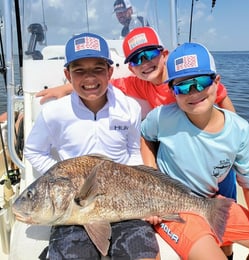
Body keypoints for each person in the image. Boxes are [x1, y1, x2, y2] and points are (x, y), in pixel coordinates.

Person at [35, 27, 236, 258]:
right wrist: (64, 89)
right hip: (173, 164)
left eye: (149, 55)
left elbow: (232, 121)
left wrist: (235, 145)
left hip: (216, 159)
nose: (144, 63)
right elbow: (96, 82)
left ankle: (226, 249)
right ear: (130, 67)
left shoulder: (192, 80)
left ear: (164, 53)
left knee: (225, 228)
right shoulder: (137, 84)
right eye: (136, 60)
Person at [23, 32, 159, 260]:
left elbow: (134, 152)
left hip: (124, 199)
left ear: (110, 71)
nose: (89, 78)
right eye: (79, 70)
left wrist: (144, 196)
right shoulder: (53, 113)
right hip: (72, 208)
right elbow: (33, 151)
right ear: (67, 75)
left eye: (98, 69)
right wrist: (63, 175)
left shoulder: (129, 108)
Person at [141, 42, 249, 260]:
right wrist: (150, 180)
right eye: (182, 87)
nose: (193, 92)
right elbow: (145, 136)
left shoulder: (240, 129)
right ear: (172, 91)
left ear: (216, 82)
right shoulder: (161, 117)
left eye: (201, 82)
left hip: (212, 202)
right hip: (174, 209)